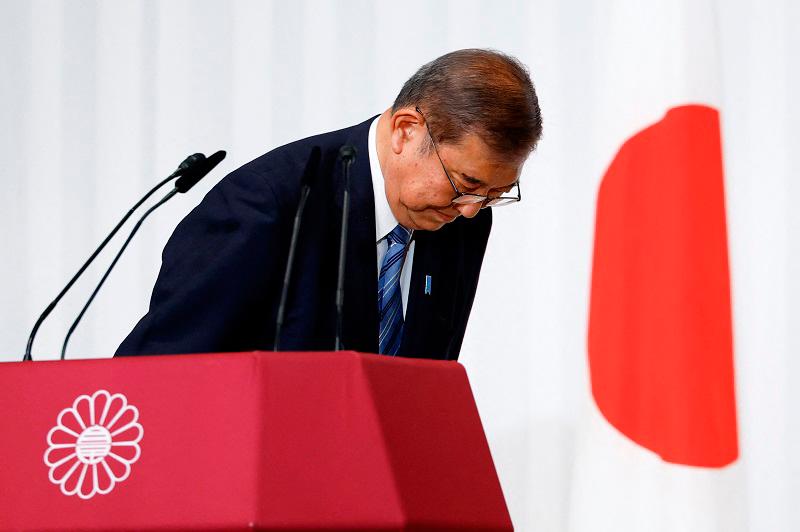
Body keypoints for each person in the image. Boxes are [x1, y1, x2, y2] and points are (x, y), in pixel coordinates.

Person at [115, 48, 542, 360]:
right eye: (466, 182)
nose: (471, 209)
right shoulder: (268, 204)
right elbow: (159, 372)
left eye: (494, 194)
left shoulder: (460, 217)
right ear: (406, 130)